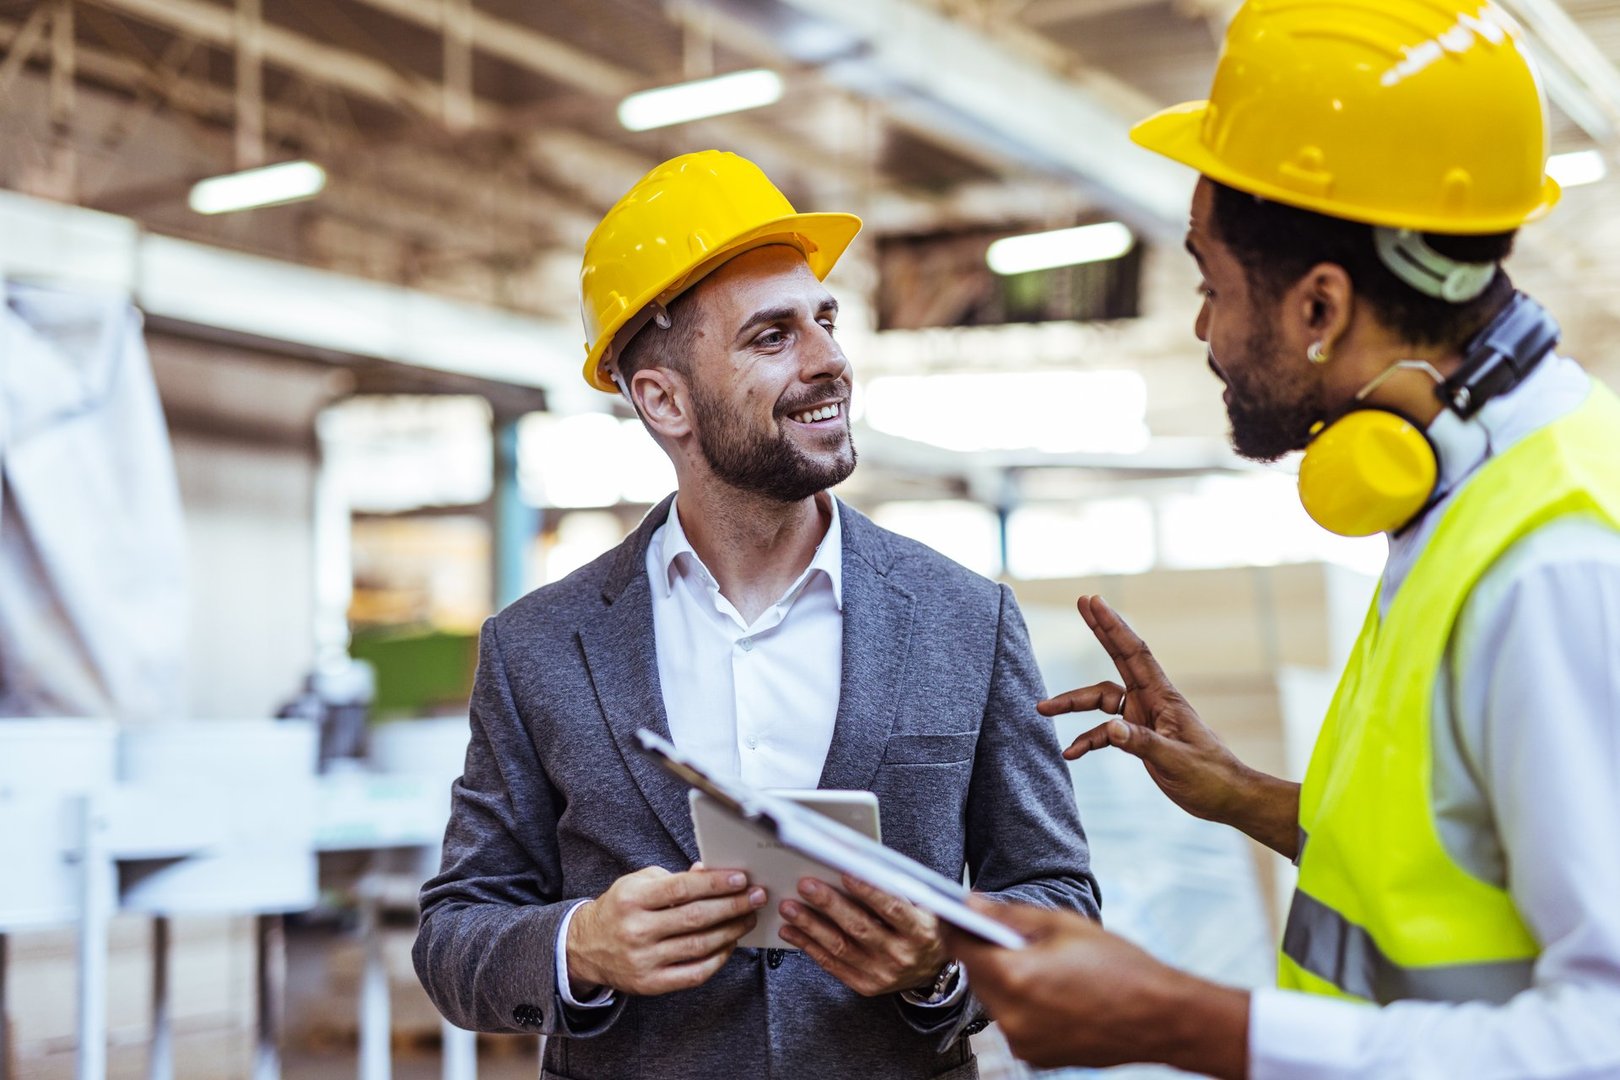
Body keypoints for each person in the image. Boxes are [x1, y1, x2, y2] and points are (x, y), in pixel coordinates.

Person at [945, 2, 1620, 1077]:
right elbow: (1455, 874)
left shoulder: (1555, 562)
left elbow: (1602, 1037)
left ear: (1320, 306)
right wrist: (1240, 792)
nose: (1205, 332)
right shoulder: (1468, 481)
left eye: (1212, 287)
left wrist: (1183, 1019)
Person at [412, 150, 1100, 1079]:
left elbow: (1059, 901)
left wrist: (943, 964)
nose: (830, 363)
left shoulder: (963, 620)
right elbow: (456, 934)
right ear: (663, 399)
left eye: (825, 320)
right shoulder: (538, 646)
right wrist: (581, 946)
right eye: (772, 338)